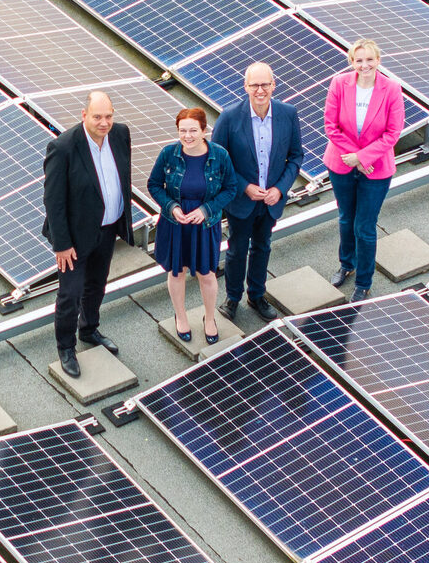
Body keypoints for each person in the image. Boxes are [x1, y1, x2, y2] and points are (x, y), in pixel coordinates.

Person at [42, 91, 132, 378]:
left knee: (97, 284)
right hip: (75, 239)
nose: (104, 123)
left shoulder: (120, 134)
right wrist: (62, 244)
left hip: (108, 229)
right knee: (70, 293)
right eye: (97, 117)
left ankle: (89, 330)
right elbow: (53, 201)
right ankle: (66, 347)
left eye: (108, 116)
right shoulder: (64, 147)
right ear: (84, 116)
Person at [211, 62, 303, 321]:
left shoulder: (288, 113)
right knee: (237, 249)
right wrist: (245, 187)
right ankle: (232, 298)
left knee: (262, 246)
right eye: (254, 85)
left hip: (271, 201)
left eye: (265, 84)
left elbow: (296, 157)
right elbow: (218, 161)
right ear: (245, 87)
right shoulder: (229, 117)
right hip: (242, 201)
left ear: (274, 85)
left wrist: (280, 189)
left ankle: (257, 295)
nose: (260, 90)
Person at [148, 108, 238, 344]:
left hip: (205, 225)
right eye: (182, 131)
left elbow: (231, 188)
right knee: (176, 272)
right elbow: (154, 184)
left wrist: (205, 210)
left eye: (193, 130)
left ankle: (209, 318)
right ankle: (181, 317)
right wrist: (173, 208)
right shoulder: (169, 153)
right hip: (175, 224)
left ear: (204, 130)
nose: (187, 136)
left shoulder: (220, 156)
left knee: (207, 274)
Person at [323, 39, 403, 302]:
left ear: (378, 61)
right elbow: (331, 126)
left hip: (376, 168)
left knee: (365, 226)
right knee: (346, 218)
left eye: (369, 60)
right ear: (352, 62)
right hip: (342, 164)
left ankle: (363, 281)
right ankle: (346, 264)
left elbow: (393, 133)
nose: (364, 65)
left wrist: (363, 157)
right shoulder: (339, 84)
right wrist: (356, 158)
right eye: (359, 60)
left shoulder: (391, 88)